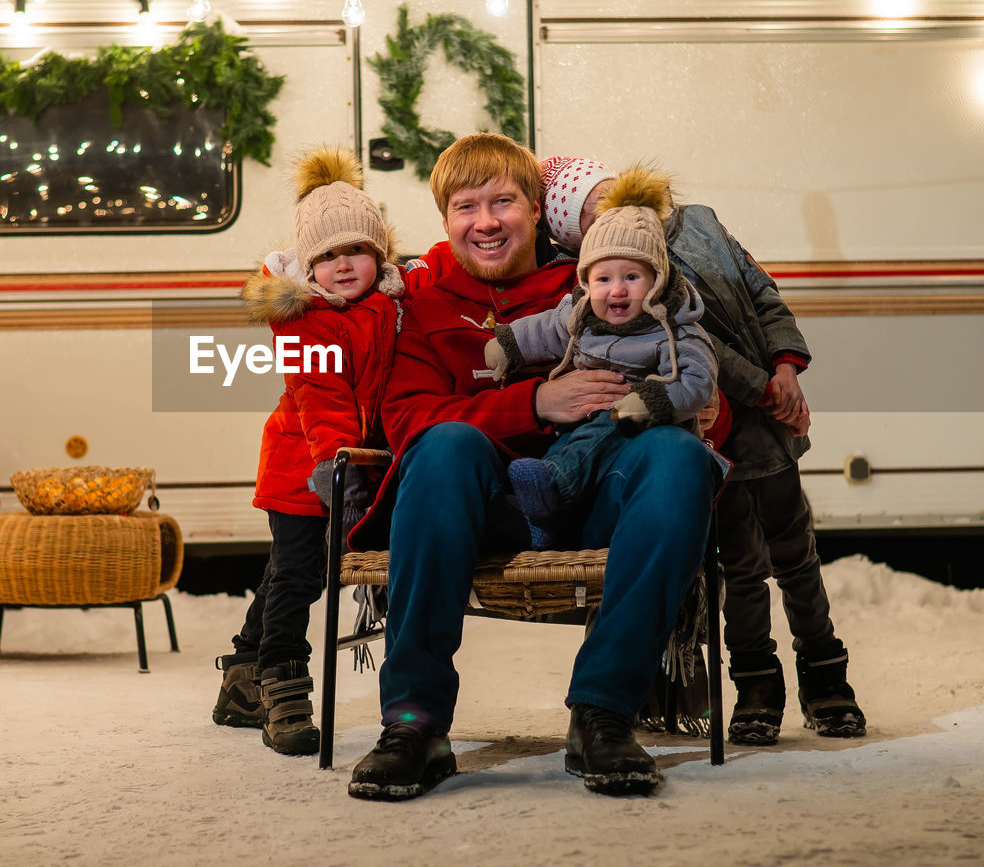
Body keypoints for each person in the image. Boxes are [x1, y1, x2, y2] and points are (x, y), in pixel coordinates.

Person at [344, 133, 721, 800]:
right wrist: (535, 400)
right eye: (467, 206)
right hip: (483, 508)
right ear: (445, 221)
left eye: (503, 202)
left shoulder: (596, 283)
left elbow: (681, 361)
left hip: (594, 501)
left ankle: (602, 714)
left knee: (681, 458)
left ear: (537, 211)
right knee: (444, 444)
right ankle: (415, 722)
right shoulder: (419, 303)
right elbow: (407, 422)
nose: (485, 221)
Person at [541, 153, 866, 746]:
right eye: (591, 218)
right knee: (740, 566)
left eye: (605, 195)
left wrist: (787, 365)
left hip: (769, 420)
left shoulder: (702, 223)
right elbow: (704, 343)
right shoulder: (629, 280)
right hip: (720, 431)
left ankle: (827, 677)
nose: (610, 212)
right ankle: (757, 685)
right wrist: (766, 390)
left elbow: (760, 290)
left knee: (797, 554)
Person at [212, 145, 403, 756]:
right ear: (306, 265)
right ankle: (283, 690)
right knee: (299, 577)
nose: (342, 265)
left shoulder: (391, 308)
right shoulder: (303, 322)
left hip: (353, 467)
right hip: (307, 468)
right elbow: (318, 397)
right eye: (326, 256)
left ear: (378, 253)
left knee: (291, 574)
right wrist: (335, 466)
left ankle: (240, 678)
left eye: (356, 250)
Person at [482, 167, 718, 542]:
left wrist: (652, 400)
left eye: (632, 277)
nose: (617, 291)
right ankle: (543, 520)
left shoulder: (676, 328)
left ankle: (553, 489)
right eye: (603, 279)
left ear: (657, 279)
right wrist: (510, 344)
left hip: (640, 429)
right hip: (580, 424)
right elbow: (548, 328)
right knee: (569, 447)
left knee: (602, 435)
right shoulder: (580, 314)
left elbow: (696, 380)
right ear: (586, 282)